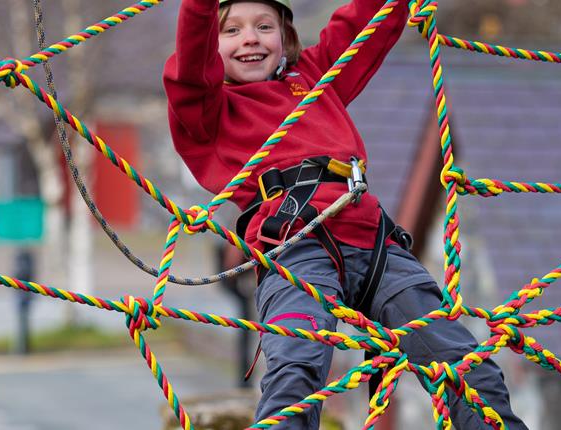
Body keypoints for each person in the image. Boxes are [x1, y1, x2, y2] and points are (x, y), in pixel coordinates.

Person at [163, 0, 529, 428]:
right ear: (213, 46)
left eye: (264, 26)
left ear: (285, 40)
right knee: (298, 365)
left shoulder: (315, 80)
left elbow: (366, 23)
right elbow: (190, 64)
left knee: (468, 365)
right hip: (294, 247)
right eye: (232, 30)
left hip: (374, 243)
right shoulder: (210, 109)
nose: (250, 38)